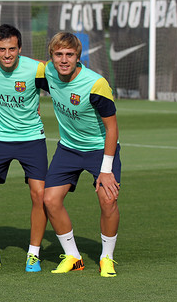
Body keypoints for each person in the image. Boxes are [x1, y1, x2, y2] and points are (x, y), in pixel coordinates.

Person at [43, 32, 121, 277]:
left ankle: (106, 258)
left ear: (78, 57)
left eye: (69, 54)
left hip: (100, 149)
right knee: (50, 200)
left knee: (108, 200)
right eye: (59, 54)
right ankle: (73, 257)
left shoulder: (95, 83)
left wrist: (106, 169)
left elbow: (112, 128)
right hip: (68, 148)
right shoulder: (47, 72)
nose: (64, 60)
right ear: (52, 56)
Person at [0, 24, 48, 272]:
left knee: (40, 195)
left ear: (20, 49)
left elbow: (63, 84)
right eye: (2, 49)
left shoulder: (36, 69)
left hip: (31, 139)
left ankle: (34, 254)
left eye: (12, 49)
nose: (7, 55)